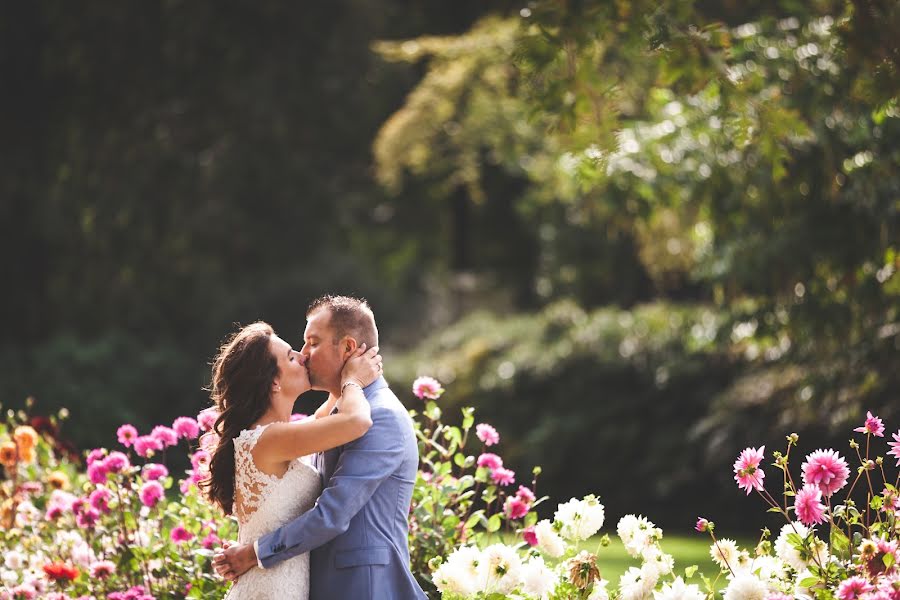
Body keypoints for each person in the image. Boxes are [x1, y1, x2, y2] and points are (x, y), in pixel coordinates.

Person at [213, 295, 426, 599]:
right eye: (295, 351)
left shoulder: (382, 417)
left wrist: (252, 552)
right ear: (272, 381)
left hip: (362, 587)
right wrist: (348, 383)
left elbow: (332, 514)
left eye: (312, 342)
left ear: (349, 348)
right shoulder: (324, 421)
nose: (303, 355)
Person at [202, 320, 382, 599]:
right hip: (270, 589)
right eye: (290, 357)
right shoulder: (269, 440)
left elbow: (325, 416)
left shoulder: (274, 436)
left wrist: (344, 371)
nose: (303, 355)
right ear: (274, 382)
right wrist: (354, 382)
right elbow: (357, 420)